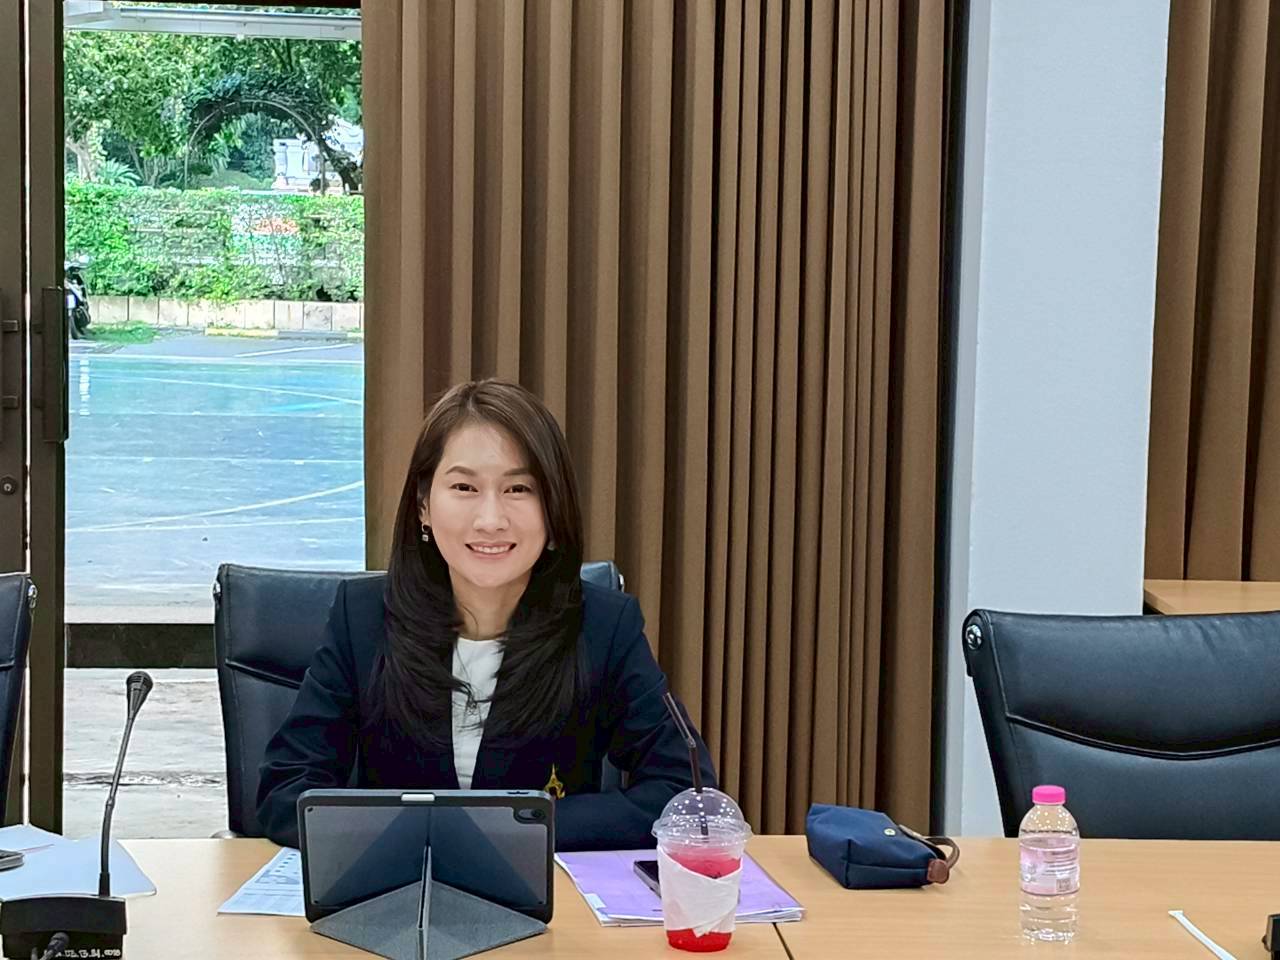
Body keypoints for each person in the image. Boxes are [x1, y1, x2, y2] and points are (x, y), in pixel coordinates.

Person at [256, 379, 716, 850]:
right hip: (397, 884)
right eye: (464, 487)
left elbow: (684, 792)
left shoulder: (603, 626)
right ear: (422, 506)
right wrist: (422, 836)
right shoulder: (363, 618)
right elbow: (286, 790)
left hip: (544, 890)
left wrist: (515, 830)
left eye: (518, 488)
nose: (491, 519)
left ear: (553, 508)